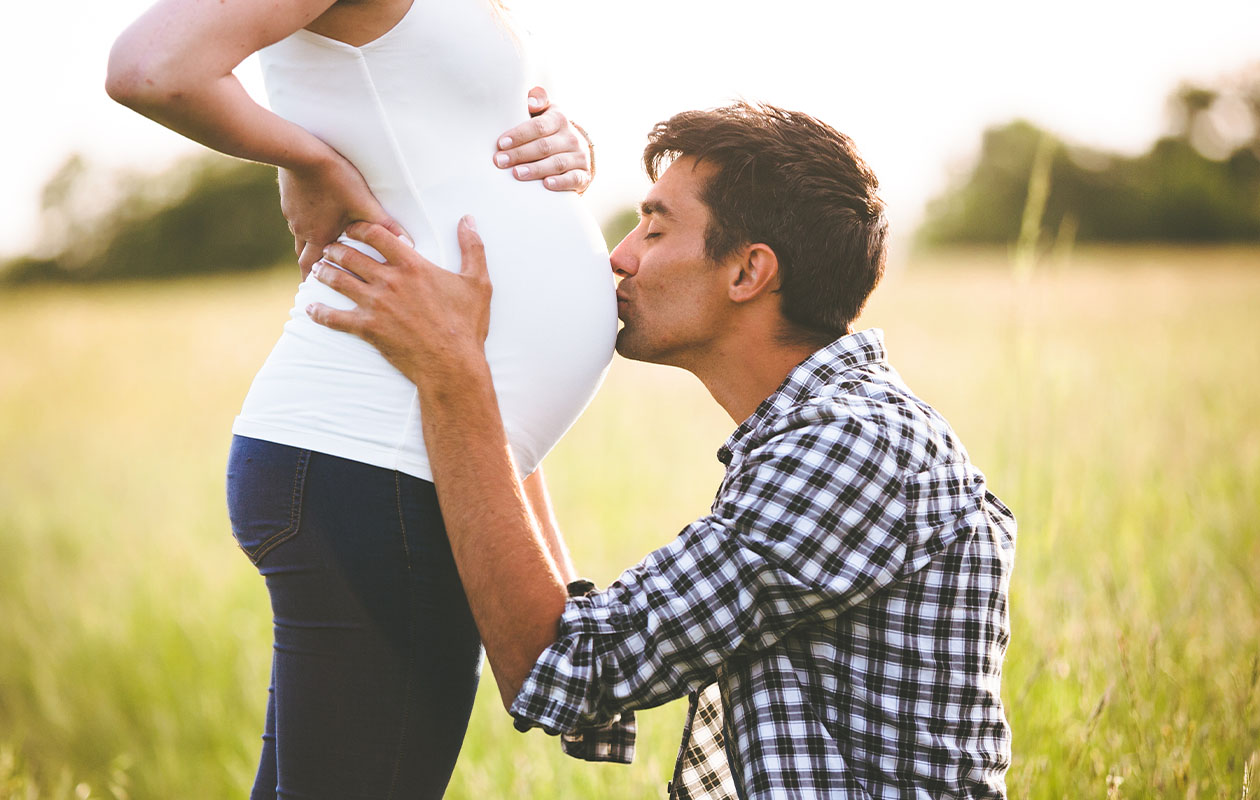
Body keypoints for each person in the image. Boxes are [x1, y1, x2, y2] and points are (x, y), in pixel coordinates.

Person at [305, 102, 1018, 799]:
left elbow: (567, 670)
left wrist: (453, 375)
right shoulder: (829, 433)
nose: (620, 256)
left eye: (653, 228)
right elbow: (588, 646)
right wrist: (488, 382)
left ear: (747, 273)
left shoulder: (850, 448)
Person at [105, 0, 616, 797]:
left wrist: (567, 138)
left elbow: (426, 124)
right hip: (369, 453)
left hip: (406, 459)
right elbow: (152, 68)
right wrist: (315, 164)